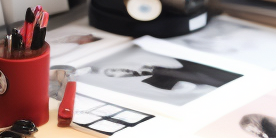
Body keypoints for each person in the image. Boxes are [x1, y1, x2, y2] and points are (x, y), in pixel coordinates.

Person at [101, 54, 239, 92]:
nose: (120, 70)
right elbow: (188, 88)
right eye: (115, 73)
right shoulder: (152, 83)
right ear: (121, 78)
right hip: (219, 83)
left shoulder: (149, 59)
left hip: (221, 66)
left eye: (115, 68)